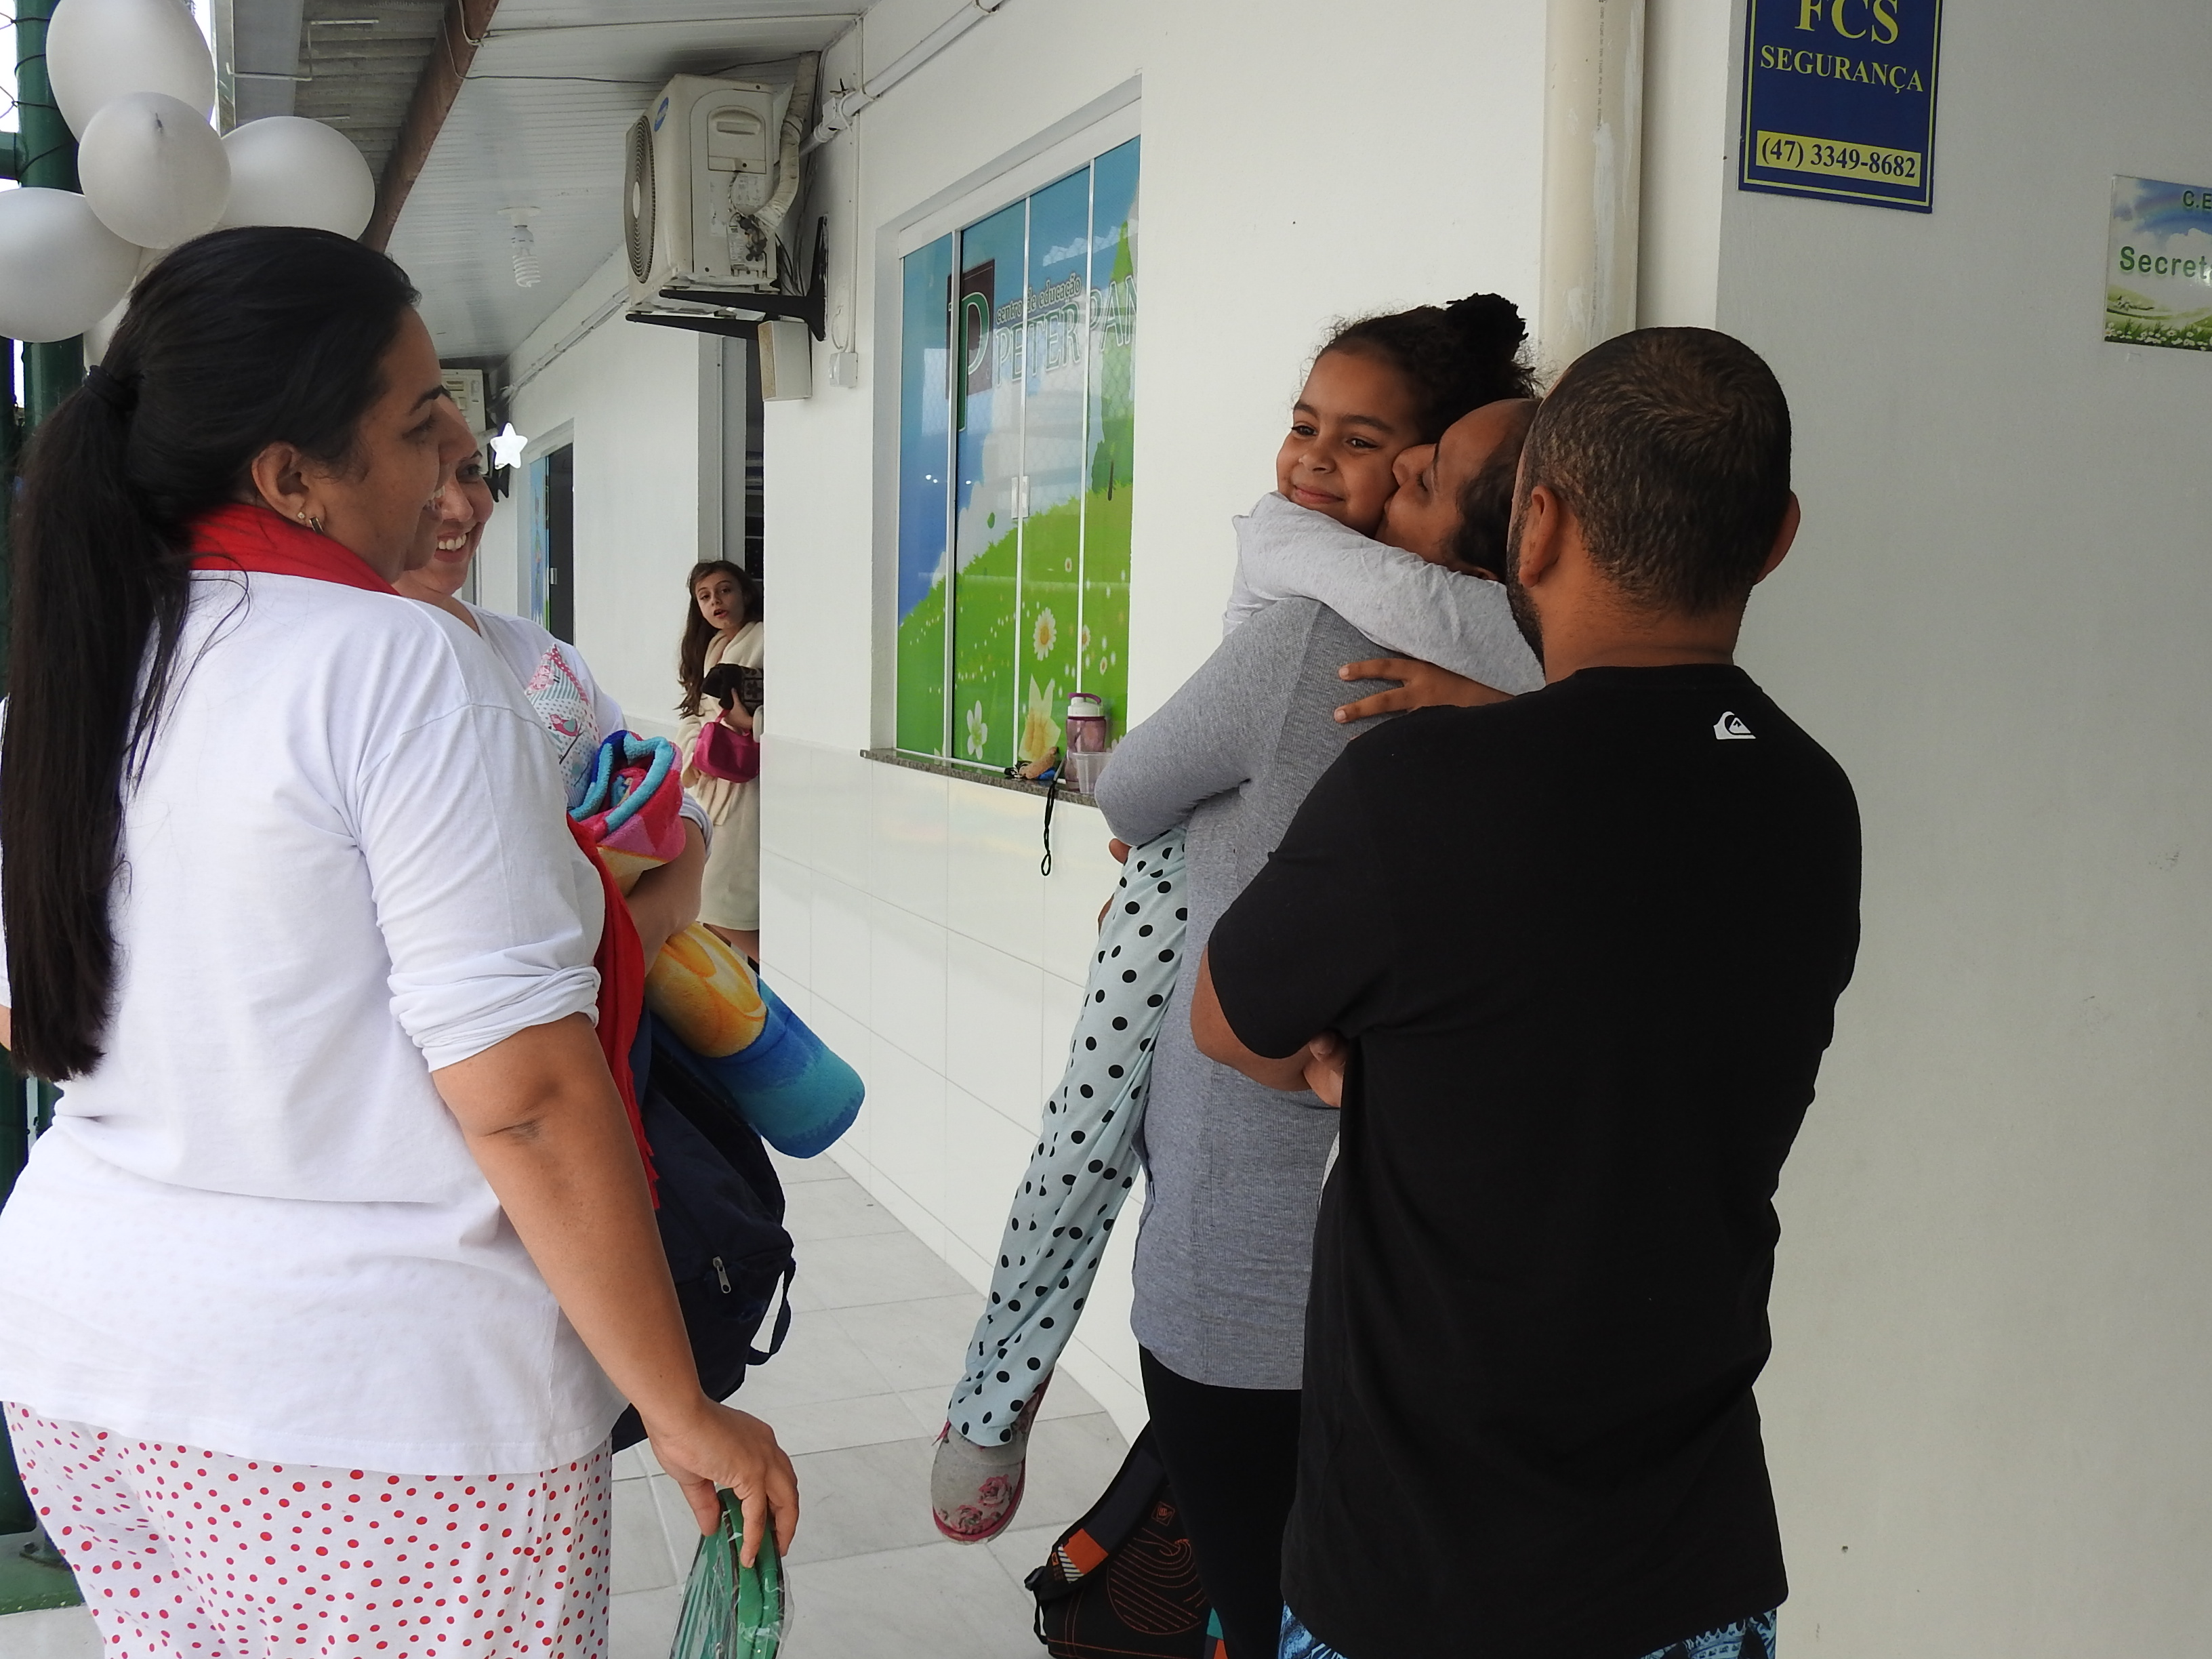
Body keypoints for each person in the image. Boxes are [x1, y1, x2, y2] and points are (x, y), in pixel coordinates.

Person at [0, 227, 797, 1659]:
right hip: (373, 1413)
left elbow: (31, 1016)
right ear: (291, 477)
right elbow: (528, 1098)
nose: (453, 462)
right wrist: (680, 1407)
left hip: (83, 1362)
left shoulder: (81, 669)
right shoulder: (399, 664)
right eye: (420, 421)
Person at [1192, 329, 1862, 1659]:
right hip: (1691, 1568)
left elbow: (1229, 1020)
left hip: (1417, 1576)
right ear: (1777, 538)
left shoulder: (1420, 788)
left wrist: (1339, 1066)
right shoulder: (1808, 798)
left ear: (1536, 525)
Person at [1071, 299, 1542, 1659]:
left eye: (1381, 449)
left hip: (1252, 1265)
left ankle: (989, 1419)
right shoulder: (1569, 696)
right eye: (1304, 427)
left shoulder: (1300, 646)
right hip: (1448, 1286)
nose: (1323, 464)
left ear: (1422, 477)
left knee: (1266, 1602)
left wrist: (1182, 841)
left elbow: (1132, 788)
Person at [395, 455, 708, 966]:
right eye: (425, 475)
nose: (461, 508)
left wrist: (646, 924)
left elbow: (663, 799)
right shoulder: (340, 672)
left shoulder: (534, 650)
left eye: (470, 472)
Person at [677, 560, 764, 962]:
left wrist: (751, 723)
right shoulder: (712, 650)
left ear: (744, 593)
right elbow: (694, 715)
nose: (717, 602)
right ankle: (744, 988)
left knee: (721, 905)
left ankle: (788, 979)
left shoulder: (767, 639)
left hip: (748, 792)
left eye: (725, 590)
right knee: (711, 910)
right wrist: (696, 751)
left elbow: (799, 707)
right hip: (712, 785)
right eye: (705, 596)